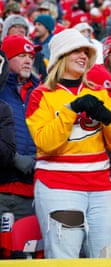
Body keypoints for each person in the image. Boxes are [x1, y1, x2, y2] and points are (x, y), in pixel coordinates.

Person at [25, 29, 111, 258]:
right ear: (61, 56)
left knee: (108, 256)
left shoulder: (101, 92)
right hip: (58, 184)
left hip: (100, 186)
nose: (83, 56)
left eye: (86, 52)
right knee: (64, 257)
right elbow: (46, 143)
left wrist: (107, 119)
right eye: (76, 51)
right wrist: (70, 111)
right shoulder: (41, 95)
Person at [0, 36, 41, 220]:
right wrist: (13, 158)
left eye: (31, 57)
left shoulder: (42, 91)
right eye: (22, 55)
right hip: (2, 182)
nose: (28, 61)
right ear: (6, 59)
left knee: (26, 247)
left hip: (30, 188)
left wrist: (38, 159)